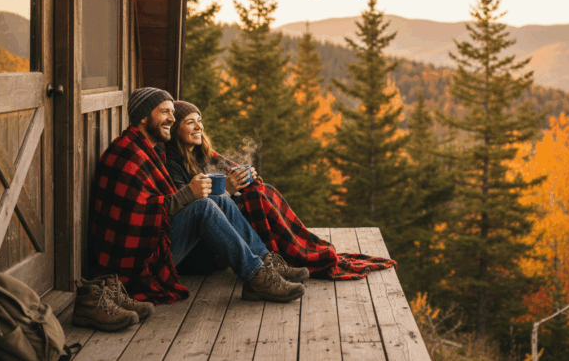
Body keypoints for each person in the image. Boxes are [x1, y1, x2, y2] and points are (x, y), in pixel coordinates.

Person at [88, 88, 305, 322]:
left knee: (219, 198)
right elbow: (137, 217)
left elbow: (160, 208)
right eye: (164, 112)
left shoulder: (148, 149)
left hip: (152, 244)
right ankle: (256, 277)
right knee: (204, 206)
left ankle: (263, 264)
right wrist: (188, 195)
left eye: (173, 113)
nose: (171, 118)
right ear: (143, 117)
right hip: (133, 264)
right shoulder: (128, 154)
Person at [164, 101, 398, 280]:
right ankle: (267, 265)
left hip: (215, 242)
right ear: (176, 130)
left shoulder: (201, 153)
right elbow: (190, 210)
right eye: (190, 122)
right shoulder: (171, 162)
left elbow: (230, 172)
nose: (199, 127)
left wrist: (247, 178)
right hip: (197, 254)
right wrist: (226, 189)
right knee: (236, 200)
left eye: (200, 120)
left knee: (261, 193)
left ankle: (274, 258)